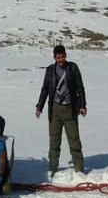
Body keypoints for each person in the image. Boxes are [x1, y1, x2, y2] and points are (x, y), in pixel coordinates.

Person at [35, 45, 87, 176]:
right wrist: (39, 107)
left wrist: (82, 105)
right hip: (55, 109)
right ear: (54, 57)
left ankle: (79, 168)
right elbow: (45, 89)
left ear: (65, 55)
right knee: (54, 141)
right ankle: (52, 168)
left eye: (63, 56)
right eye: (58, 57)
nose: (61, 59)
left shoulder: (73, 68)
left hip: (70, 108)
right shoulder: (50, 70)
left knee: (74, 140)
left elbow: (80, 87)